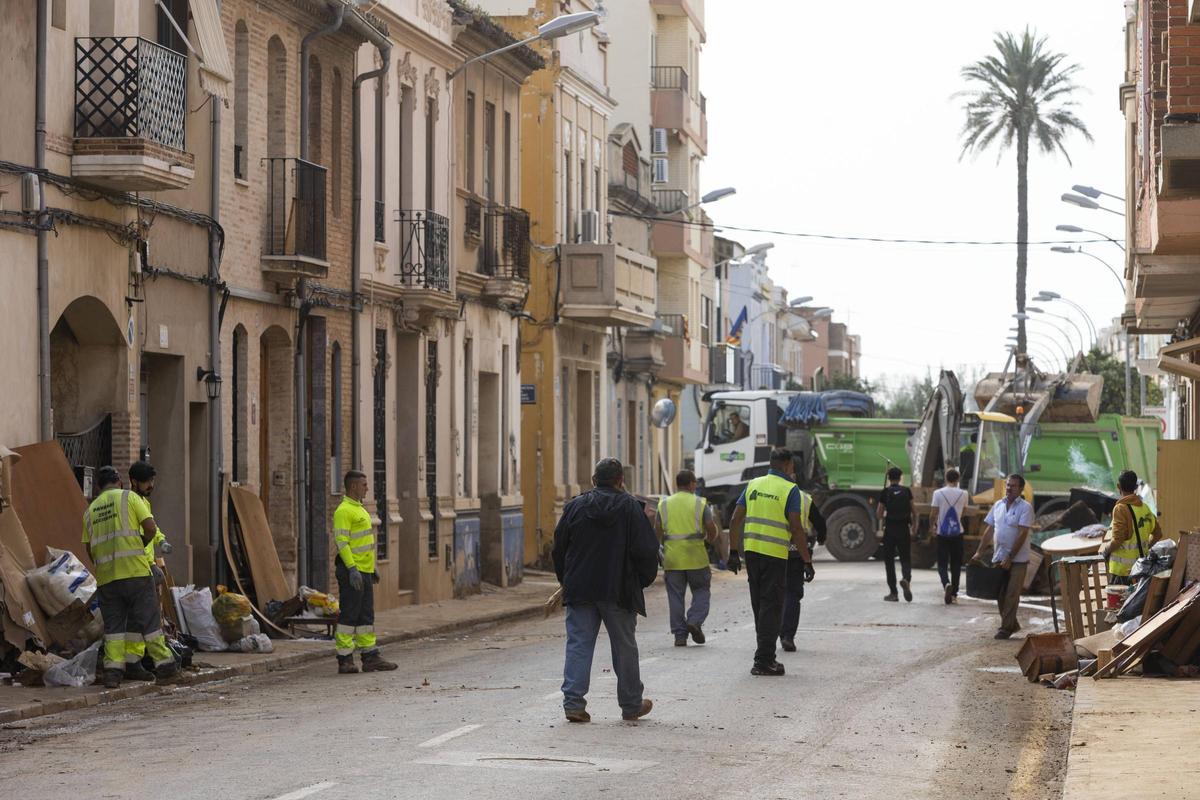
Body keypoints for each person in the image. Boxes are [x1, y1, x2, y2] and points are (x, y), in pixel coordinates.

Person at [553, 458, 658, 722]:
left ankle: (574, 704)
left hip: (581, 588)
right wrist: (640, 581)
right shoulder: (631, 509)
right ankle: (631, 704)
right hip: (619, 590)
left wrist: (566, 580)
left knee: (578, 644)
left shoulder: (575, 507)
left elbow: (559, 548)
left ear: (593, 479)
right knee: (624, 646)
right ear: (621, 480)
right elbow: (647, 550)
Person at [82, 466, 178, 688]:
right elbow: (151, 529)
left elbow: (90, 550)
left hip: (107, 578)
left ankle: (113, 674)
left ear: (98, 487)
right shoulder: (129, 499)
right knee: (150, 623)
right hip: (135, 572)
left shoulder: (90, 510)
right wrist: (140, 546)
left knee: (114, 629)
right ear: (121, 482)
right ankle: (166, 668)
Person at [728, 448, 812, 676]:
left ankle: (765, 655)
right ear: (786, 465)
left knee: (760, 606)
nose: (793, 470)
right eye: (792, 466)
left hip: (752, 553)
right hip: (774, 555)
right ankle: (764, 661)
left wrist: (733, 551)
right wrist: (806, 560)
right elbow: (796, 527)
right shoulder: (790, 490)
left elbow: (736, 518)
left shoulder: (754, 484)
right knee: (772, 607)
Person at [333, 470, 397, 674]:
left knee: (365, 617)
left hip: (364, 570)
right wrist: (352, 569)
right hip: (352, 570)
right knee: (349, 616)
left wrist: (372, 568)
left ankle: (370, 657)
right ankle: (344, 659)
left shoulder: (359, 509)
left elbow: (363, 543)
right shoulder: (344, 511)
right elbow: (342, 543)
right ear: (353, 487)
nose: (367, 488)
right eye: (364, 484)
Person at [655, 469, 719, 647]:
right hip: (696, 558)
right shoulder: (700, 503)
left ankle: (680, 636)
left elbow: (657, 532)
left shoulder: (664, 504)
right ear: (691, 483)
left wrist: (660, 549)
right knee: (701, 591)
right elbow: (712, 530)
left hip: (672, 559)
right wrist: (710, 540)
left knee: (675, 597)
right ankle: (694, 620)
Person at [972, 474, 1034, 639]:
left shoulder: (1025, 508)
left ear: (1021, 489)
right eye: (1008, 485)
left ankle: (1005, 628)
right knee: (999, 593)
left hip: (1018, 560)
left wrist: (1010, 557)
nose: (1009, 488)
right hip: (998, 556)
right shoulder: (998, 505)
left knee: (1012, 593)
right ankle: (1011, 624)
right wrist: (979, 551)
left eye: (1013, 486)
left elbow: (1022, 533)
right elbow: (989, 530)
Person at [1100, 469, 1162, 585]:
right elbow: (1158, 534)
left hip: (1122, 572)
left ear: (1118, 486)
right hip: (1141, 569)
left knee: (1119, 602)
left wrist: (1105, 550)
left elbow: (1118, 540)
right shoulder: (1145, 509)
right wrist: (1145, 546)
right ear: (1136, 486)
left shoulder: (1120, 509)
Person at [780, 503, 824, 653]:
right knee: (792, 593)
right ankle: (787, 635)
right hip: (797, 552)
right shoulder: (804, 498)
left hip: (773, 552)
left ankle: (772, 635)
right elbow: (819, 522)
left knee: (774, 594)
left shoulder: (768, 490)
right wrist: (822, 538)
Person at [930, 468, 969, 604]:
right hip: (957, 533)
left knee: (942, 563)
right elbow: (964, 512)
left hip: (942, 533)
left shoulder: (938, 493)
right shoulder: (964, 494)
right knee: (956, 564)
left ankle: (946, 583)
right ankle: (954, 594)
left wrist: (932, 526)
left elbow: (933, 513)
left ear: (946, 479)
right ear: (958, 480)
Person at [877, 467, 916, 602]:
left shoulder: (885, 492)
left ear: (889, 478)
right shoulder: (906, 491)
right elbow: (914, 511)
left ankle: (893, 593)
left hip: (890, 531)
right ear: (900, 478)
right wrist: (914, 527)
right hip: (904, 529)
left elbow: (879, 514)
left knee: (889, 562)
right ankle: (906, 579)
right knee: (905, 559)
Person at [129, 462, 172, 583]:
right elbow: (150, 529)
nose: (151, 485)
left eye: (152, 481)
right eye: (147, 481)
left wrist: (161, 540)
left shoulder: (144, 502)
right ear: (134, 482)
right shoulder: (130, 501)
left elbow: (153, 527)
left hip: (146, 563)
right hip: (137, 565)